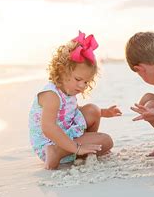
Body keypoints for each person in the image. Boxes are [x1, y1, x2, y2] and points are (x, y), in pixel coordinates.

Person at [29, 31, 122, 169]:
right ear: (62, 71)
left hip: (67, 132)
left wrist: (103, 112)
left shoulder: (68, 90)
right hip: (50, 143)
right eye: (78, 79)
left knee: (93, 109)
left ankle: (81, 148)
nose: (82, 85)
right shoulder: (51, 95)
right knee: (106, 141)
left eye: (86, 82)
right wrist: (76, 147)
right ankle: (59, 152)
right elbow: (48, 128)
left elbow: (71, 111)